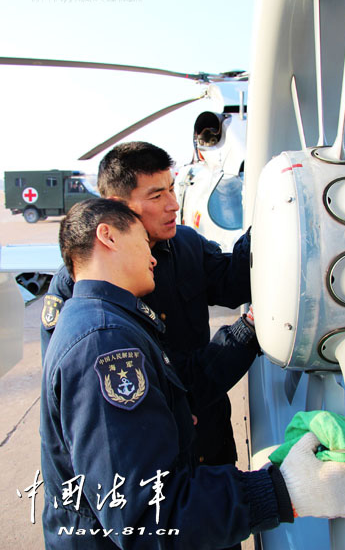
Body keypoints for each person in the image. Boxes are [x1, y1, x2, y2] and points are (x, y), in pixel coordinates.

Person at [40, 198, 345, 549]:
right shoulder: (104, 343)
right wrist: (282, 490)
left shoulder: (104, 321)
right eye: (142, 243)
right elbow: (149, 517)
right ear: (108, 237)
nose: (153, 257)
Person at [41, 141, 251, 471]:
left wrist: (271, 221)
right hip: (151, 467)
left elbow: (236, 282)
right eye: (156, 196)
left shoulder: (186, 244)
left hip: (210, 449)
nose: (173, 205)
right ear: (117, 206)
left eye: (172, 189)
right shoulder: (77, 291)